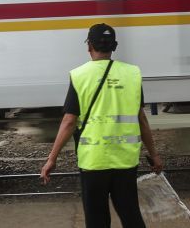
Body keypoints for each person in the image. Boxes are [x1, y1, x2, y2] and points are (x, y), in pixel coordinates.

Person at [40, 23, 163, 228]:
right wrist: (154, 154)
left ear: (89, 46)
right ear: (113, 46)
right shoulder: (132, 74)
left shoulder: (79, 76)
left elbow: (69, 121)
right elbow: (141, 119)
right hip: (125, 159)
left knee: (97, 220)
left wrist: (52, 158)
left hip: (94, 162)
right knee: (131, 215)